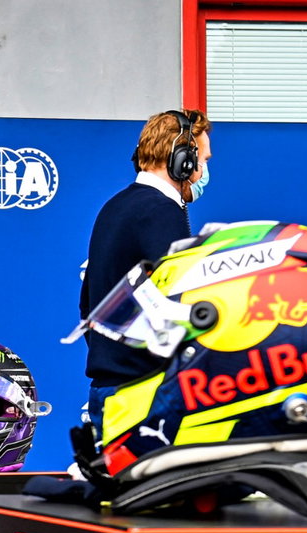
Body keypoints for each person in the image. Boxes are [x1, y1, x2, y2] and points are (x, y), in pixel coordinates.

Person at [79, 108, 212, 434]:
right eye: (203, 160)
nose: (204, 170)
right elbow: (182, 299)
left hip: (111, 389)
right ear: (183, 159)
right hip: (144, 393)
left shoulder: (116, 206)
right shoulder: (160, 212)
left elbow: (87, 303)